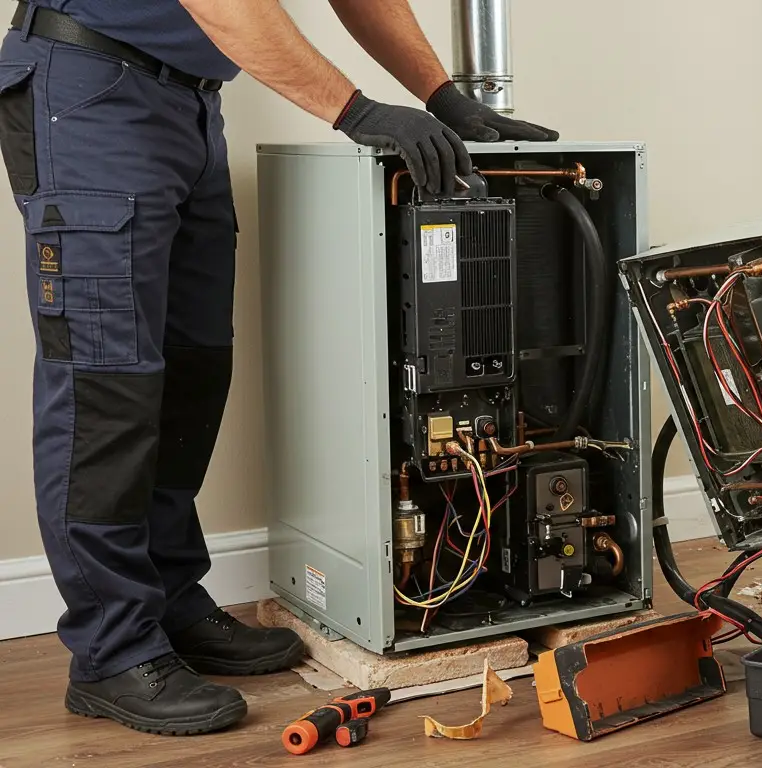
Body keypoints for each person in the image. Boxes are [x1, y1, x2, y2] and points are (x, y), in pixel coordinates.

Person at [0, 0, 557, 736]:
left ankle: (166, 599)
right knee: (107, 385)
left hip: (189, 104)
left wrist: (442, 95)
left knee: (195, 370)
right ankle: (110, 648)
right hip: (90, 95)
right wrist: (356, 111)